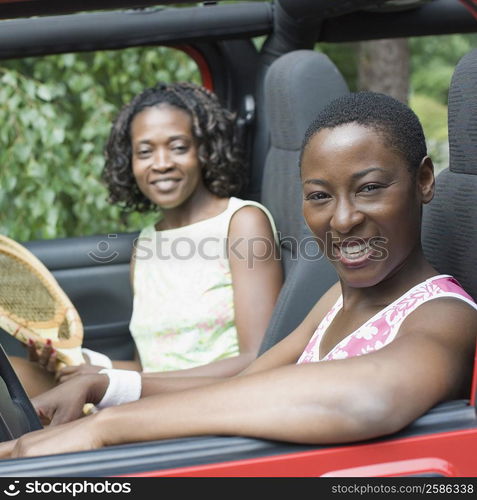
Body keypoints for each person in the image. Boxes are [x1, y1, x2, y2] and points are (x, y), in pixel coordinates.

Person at [2, 91, 477, 458]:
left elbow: (367, 398)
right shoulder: (337, 298)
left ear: (423, 181)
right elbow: (242, 387)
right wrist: (106, 387)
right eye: (318, 196)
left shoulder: (445, 313)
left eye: (370, 188)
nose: (343, 218)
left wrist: (104, 429)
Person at [9, 82, 283, 397]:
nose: (162, 163)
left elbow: (257, 359)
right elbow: (149, 369)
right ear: (131, 162)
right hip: (153, 397)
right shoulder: (146, 245)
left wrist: (116, 385)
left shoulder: (242, 223)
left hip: (215, 399)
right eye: (145, 151)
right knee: (18, 375)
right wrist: (78, 364)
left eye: (178, 147)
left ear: (204, 150)